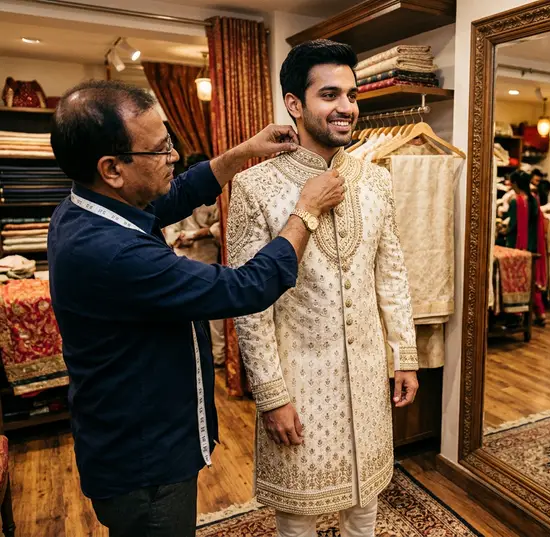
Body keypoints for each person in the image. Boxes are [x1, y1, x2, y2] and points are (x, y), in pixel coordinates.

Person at [47, 80, 344, 537]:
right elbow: (246, 287)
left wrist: (244, 150)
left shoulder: (86, 206)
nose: (173, 158)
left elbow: (173, 195)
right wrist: (305, 211)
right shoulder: (111, 253)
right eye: (161, 149)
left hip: (128, 437)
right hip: (144, 465)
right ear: (112, 168)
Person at [227, 39, 419, 537]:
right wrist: (270, 394)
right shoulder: (257, 187)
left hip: (369, 374)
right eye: (329, 95)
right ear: (295, 104)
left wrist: (406, 355)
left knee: (366, 501)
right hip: (300, 382)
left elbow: (391, 272)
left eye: (351, 96)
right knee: (299, 515)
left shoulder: (375, 180)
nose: (346, 108)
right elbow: (250, 303)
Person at [164, 153, 226, 366]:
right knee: (190, 314)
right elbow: (171, 233)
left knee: (215, 315)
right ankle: (194, 360)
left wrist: (196, 234)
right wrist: (183, 237)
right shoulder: (176, 195)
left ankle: (219, 357)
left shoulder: (218, 198)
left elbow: (221, 228)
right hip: (185, 260)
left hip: (207, 257)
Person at [505, 169, 547, 325]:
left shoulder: (516, 201)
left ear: (515, 183)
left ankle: (517, 315)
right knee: (531, 280)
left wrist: (503, 230)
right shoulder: (534, 199)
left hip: (518, 245)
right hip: (533, 245)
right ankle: (540, 314)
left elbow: (513, 225)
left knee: (517, 280)